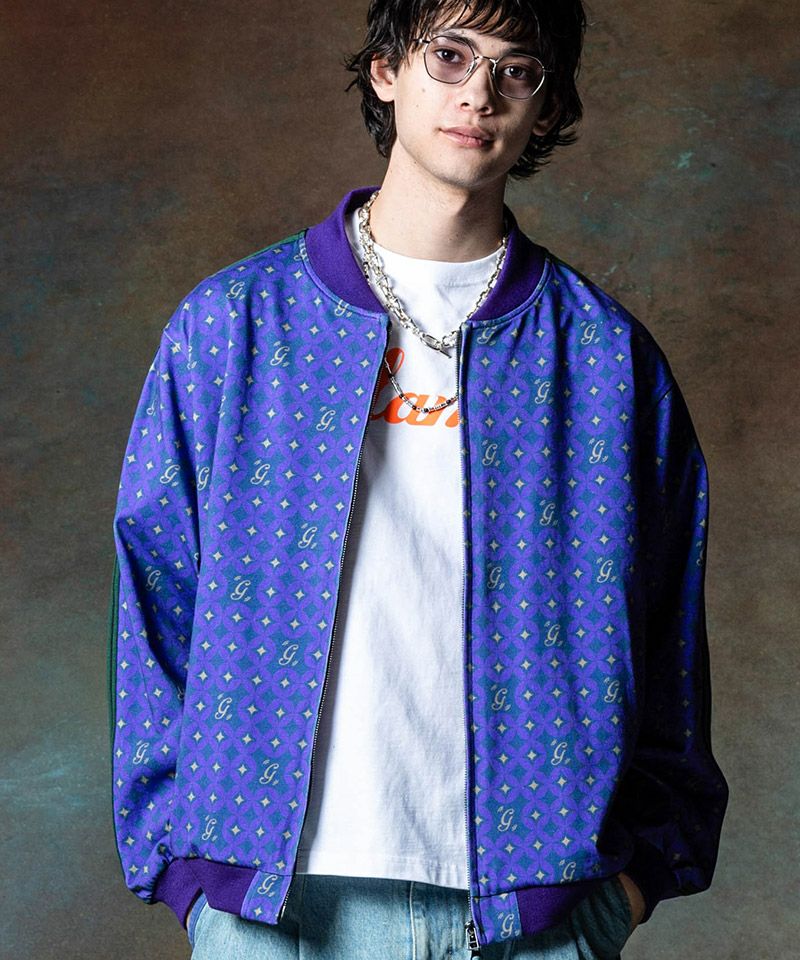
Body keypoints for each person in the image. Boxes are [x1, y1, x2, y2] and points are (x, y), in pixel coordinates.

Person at [108, 1, 729, 957]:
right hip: (269, 908)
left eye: (516, 70)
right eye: (450, 55)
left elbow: (668, 625)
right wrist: (185, 871)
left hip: (534, 914)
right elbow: (156, 594)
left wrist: (634, 880)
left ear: (546, 104)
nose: (479, 93)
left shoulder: (604, 357)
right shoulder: (233, 325)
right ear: (387, 69)